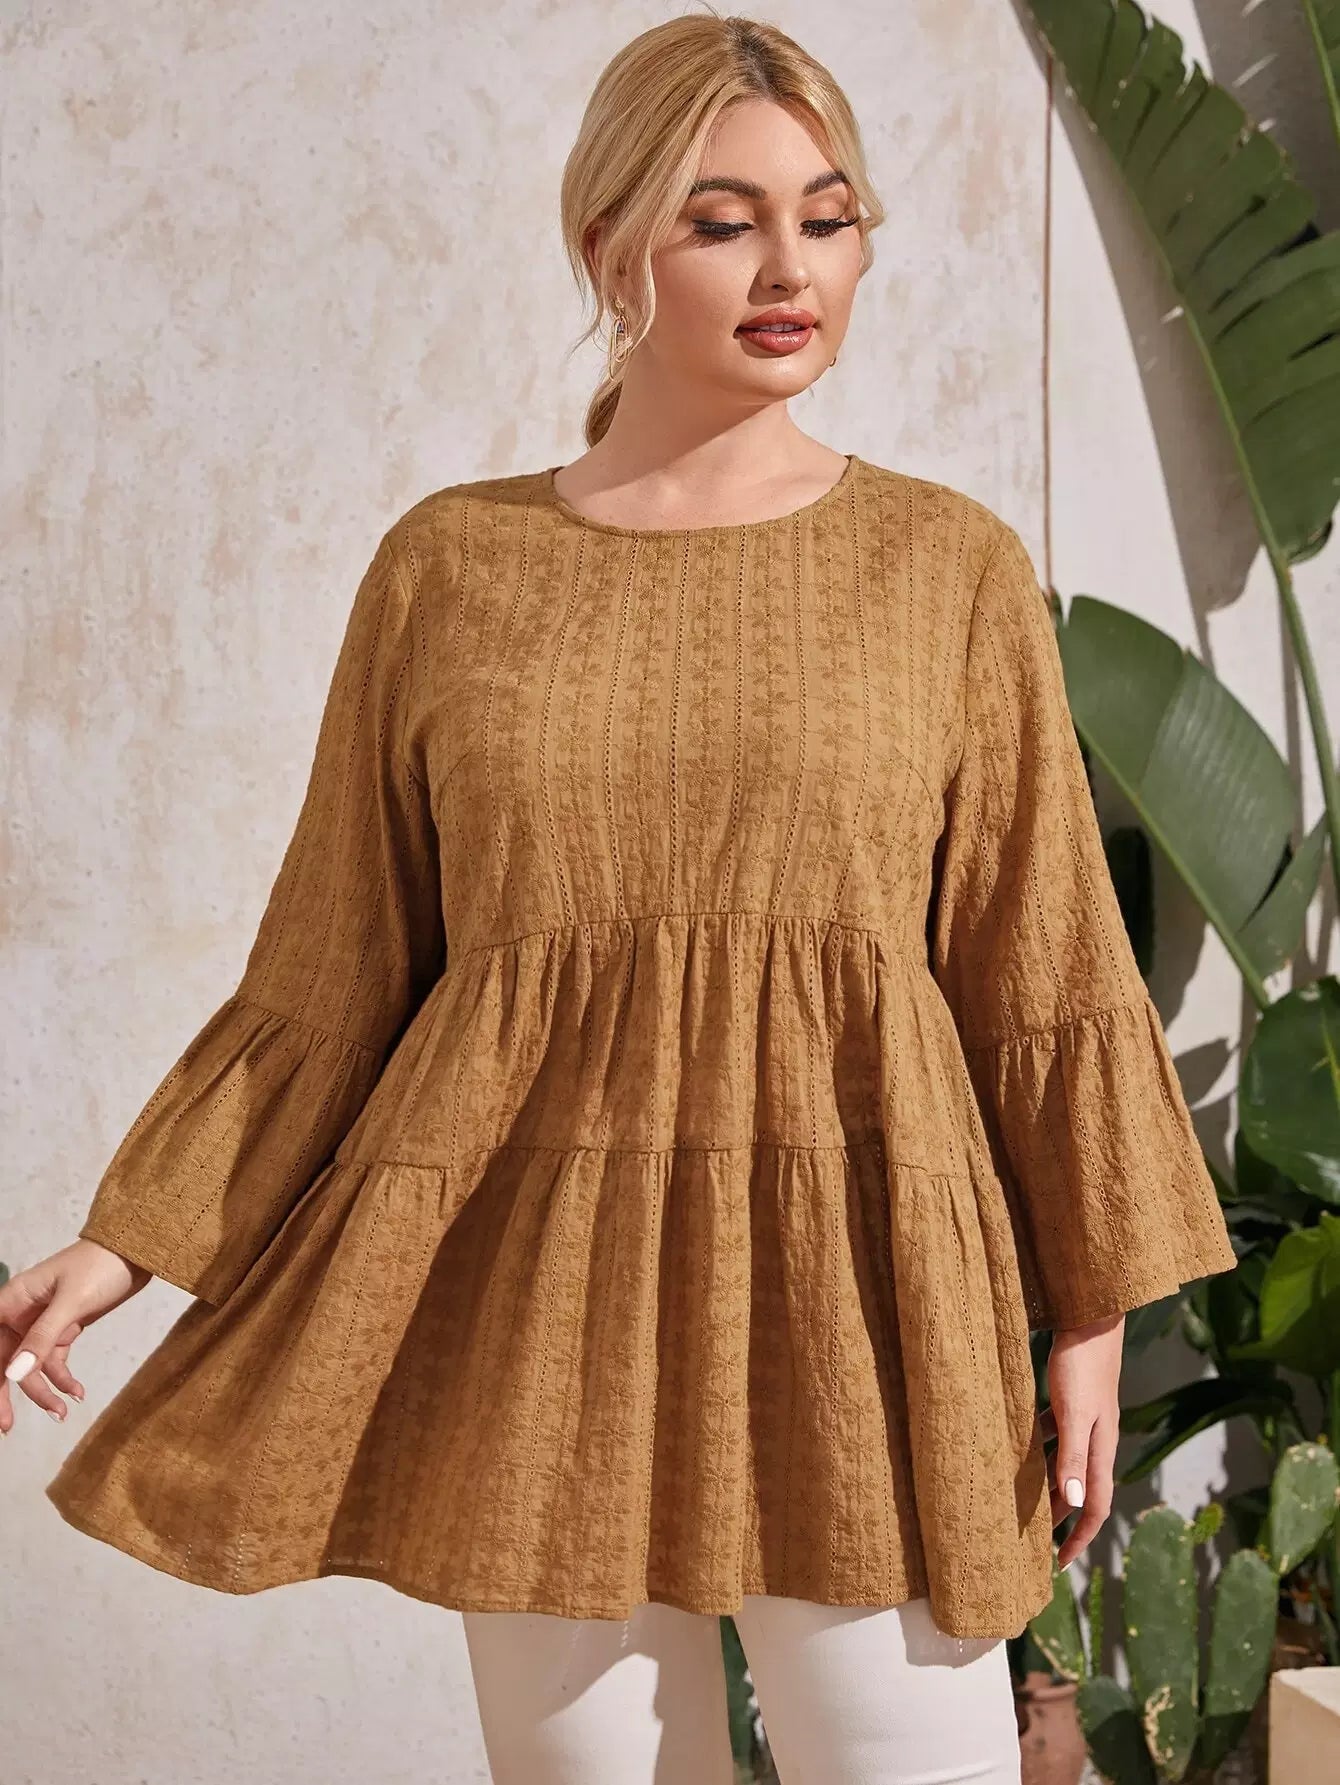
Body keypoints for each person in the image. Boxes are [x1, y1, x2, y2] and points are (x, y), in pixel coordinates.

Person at [4, 11, 1238, 1782]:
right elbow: (334, 968)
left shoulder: (944, 566)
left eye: (828, 217)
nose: (790, 267)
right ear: (610, 249)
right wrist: (128, 1241)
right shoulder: (451, 568)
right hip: (544, 1291)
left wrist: (1091, 1328)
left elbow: (1036, 952)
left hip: (863, 1282)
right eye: (723, 221)